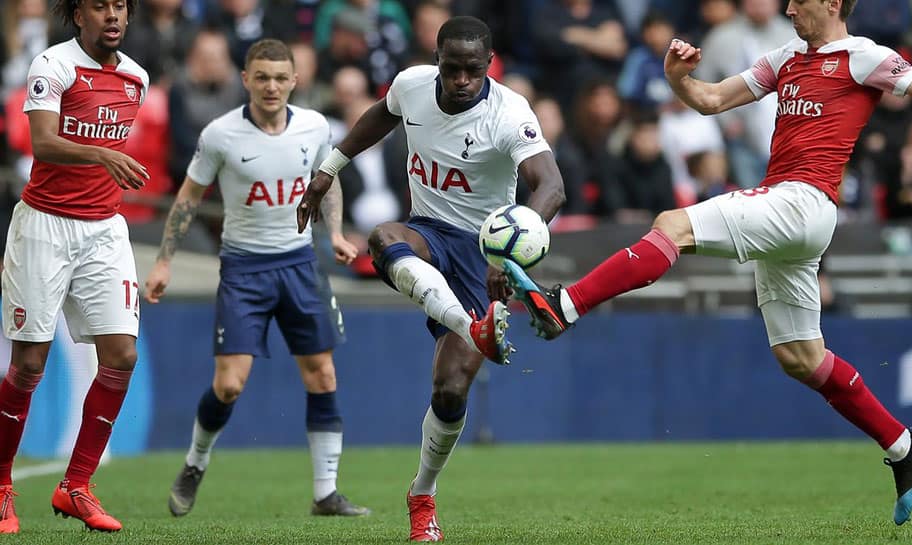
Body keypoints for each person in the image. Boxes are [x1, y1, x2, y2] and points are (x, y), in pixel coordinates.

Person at [503, 0, 912, 527]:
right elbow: (713, 98)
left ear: (833, 3)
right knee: (800, 356)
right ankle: (905, 447)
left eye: (801, 0)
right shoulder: (787, 57)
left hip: (804, 201)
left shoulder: (861, 56)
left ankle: (567, 304)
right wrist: (680, 78)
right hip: (790, 212)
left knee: (672, 224)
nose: (789, 8)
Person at [296, 16, 565, 542]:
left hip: (480, 248)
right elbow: (382, 115)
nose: (461, 80)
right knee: (381, 237)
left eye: (471, 70)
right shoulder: (411, 85)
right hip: (427, 232)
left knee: (449, 391)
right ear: (436, 59)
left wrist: (506, 254)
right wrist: (330, 167)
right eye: (451, 68)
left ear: (488, 65)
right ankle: (470, 326)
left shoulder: (509, 113)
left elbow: (551, 187)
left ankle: (422, 494)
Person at [143, 39, 370, 519]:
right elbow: (187, 199)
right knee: (229, 385)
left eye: (280, 78)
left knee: (322, 373)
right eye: (261, 77)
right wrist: (163, 261)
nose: (271, 86)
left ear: (295, 81)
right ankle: (195, 463)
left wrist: (335, 235)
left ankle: (326, 493)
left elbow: (326, 182)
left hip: (300, 264)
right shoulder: (220, 135)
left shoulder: (313, 127)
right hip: (244, 269)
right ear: (245, 79)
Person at [0, 0, 150, 534]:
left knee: (122, 354)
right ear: (78, 14)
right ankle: (0, 487)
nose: (112, 15)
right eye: (100, 5)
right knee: (30, 365)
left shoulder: (137, 77)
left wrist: (107, 164)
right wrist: (103, 154)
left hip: (104, 228)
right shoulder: (53, 66)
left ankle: (77, 486)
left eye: (120, 6)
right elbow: (43, 143)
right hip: (44, 225)